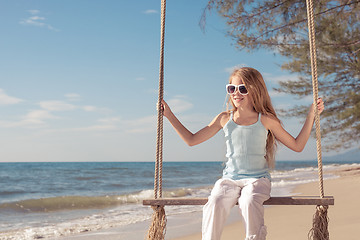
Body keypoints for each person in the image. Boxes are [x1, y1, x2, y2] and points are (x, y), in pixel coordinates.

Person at [160, 67, 324, 240]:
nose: (236, 93)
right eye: (232, 88)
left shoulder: (266, 120)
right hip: (230, 179)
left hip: (258, 179)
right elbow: (191, 140)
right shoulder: (224, 119)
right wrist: (169, 115)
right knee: (215, 202)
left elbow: (297, 146)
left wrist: (312, 115)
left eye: (242, 89)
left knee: (249, 201)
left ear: (255, 89)